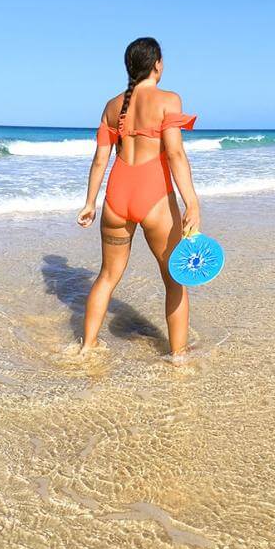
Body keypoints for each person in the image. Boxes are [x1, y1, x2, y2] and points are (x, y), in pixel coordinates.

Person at [77, 37, 200, 358]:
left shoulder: (112, 105)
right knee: (174, 280)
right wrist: (192, 202)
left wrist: (90, 202)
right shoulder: (168, 100)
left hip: (116, 197)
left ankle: (86, 347)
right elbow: (174, 153)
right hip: (154, 196)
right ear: (157, 64)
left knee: (107, 276)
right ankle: (179, 357)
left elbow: (100, 160)